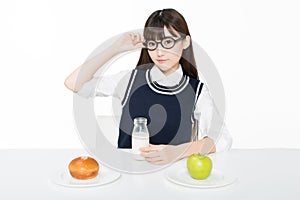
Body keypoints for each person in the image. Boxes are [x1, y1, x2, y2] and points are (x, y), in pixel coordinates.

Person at [65, 8, 232, 165]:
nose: (159, 52)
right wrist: (115, 48)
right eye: (153, 43)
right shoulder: (129, 80)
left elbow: (221, 139)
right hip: (128, 175)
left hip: (173, 178)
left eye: (167, 42)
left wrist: (176, 152)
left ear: (185, 42)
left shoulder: (197, 91)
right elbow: (73, 83)